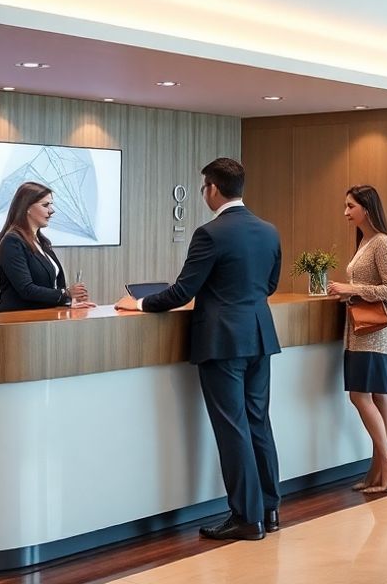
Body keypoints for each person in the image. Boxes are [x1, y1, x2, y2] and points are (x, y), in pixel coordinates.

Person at [115, 158, 282, 541]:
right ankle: (270, 510)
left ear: (212, 188)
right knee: (258, 423)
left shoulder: (210, 233)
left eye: (203, 187)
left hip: (222, 342)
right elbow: (269, 285)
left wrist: (138, 303)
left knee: (233, 428)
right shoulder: (268, 230)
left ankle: (246, 517)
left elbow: (181, 292)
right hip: (259, 337)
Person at [327, 185, 387, 493]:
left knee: (360, 395)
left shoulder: (381, 243)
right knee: (378, 395)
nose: (346, 212)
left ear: (366, 209)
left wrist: (350, 289)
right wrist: (348, 292)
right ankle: (378, 467)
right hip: (361, 331)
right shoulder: (366, 241)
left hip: (373, 333)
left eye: (350, 206)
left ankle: (386, 460)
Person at [0, 181, 94, 312]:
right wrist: (66, 293)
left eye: (51, 205)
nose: (52, 211)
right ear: (27, 207)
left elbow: (54, 286)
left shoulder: (43, 243)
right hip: (18, 322)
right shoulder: (12, 242)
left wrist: (70, 301)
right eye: (45, 205)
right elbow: (26, 290)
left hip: (43, 320)